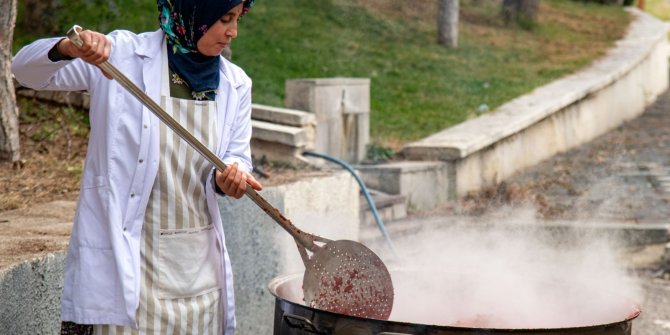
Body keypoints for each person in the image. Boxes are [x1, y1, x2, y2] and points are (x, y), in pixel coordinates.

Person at [12, 0, 262, 333]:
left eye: (236, 19)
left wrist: (229, 176)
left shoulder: (236, 83)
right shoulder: (120, 59)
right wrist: (67, 48)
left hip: (199, 276)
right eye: (224, 19)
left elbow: (237, 155)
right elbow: (24, 71)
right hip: (132, 270)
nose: (233, 32)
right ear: (193, 14)